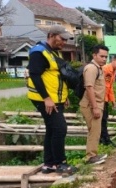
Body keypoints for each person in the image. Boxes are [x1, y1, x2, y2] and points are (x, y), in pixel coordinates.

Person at [26, 25, 77, 174]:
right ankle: (60, 163)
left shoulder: (54, 53)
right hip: (45, 100)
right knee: (60, 129)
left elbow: (57, 77)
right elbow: (35, 75)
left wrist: (64, 96)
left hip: (56, 99)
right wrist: (46, 98)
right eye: (62, 39)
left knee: (52, 130)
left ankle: (49, 164)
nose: (64, 42)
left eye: (66, 39)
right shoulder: (39, 52)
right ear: (51, 35)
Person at [80, 45, 109, 164]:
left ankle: (93, 154)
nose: (104, 59)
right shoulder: (92, 69)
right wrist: (95, 107)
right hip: (91, 105)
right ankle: (91, 156)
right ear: (94, 55)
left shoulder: (99, 68)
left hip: (96, 104)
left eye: (106, 57)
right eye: (101, 56)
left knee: (95, 130)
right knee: (94, 131)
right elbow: (89, 88)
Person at [100, 54, 116, 147]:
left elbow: (110, 87)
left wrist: (113, 100)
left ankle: (105, 140)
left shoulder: (114, 71)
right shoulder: (105, 69)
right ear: (113, 60)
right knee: (101, 120)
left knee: (104, 119)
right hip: (100, 99)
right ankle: (103, 140)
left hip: (105, 99)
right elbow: (101, 86)